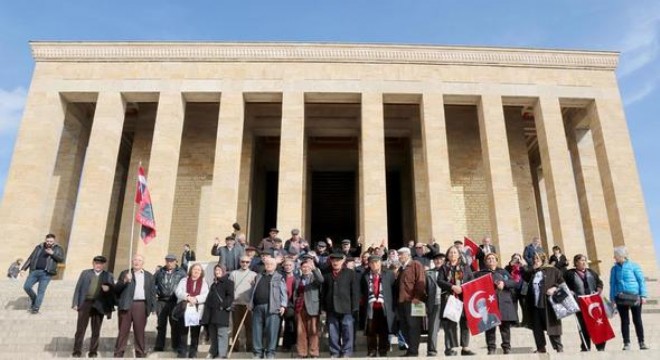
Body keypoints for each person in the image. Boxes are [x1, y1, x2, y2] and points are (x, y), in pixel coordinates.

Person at [113, 254, 157, 358]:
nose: (137, 262)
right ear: (132, 262)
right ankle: (118, 353)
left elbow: (152, 293)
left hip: (141, 305)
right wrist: (124, 281)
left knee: (139, 331)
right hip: (126, 305)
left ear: (143, 263)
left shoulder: (149, 275)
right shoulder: (125, 273)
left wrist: (154, 307)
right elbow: (116, 289)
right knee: (123, 331)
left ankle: (140, 354)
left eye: (139, 260)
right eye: (135, 260)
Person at [71, 255, 115, 358]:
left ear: (104, 265)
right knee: (80, 329)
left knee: (96, 329)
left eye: (100, 263)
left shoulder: (108, 275)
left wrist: (108, 290)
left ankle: (93, 351)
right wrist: (75, 303)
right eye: (96, 263)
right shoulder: (85, 273)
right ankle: (77, 351)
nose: (98, 265)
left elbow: (113, 292)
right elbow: (78, 287)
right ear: (93, 263)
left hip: (99, 303)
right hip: (85, 302)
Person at [474, 253, 518, 354]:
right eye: (488, 259)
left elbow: (513, 282)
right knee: (490, 328)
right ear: (485, 262)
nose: (491, 260)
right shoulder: (480, 273)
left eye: (493, 258)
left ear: (497, 261)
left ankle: (506, 347)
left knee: (505, 328)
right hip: (489, 305)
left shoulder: (503, 272)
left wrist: (504, 283)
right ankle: (491, 348)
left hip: (504, 303)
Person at [523, 252, 564, 353]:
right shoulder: (534, 272)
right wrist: (526, 266)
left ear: (543, 259)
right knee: (537, 327)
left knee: (552, 326)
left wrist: (554, 288)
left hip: (548, 303)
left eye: (537, 259)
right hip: (535, 304)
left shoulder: (552, 270)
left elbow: (561, 282)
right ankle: (541, 348)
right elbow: (525, 277)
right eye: (534, 259)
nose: (535, 261)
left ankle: (558, 347)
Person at [610, 246, 649, 351]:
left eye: (616, 255)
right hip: (621, 297)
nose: (614, 257)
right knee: (624, 321)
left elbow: (641, 281)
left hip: (635, 296)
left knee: (637, 320)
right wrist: (612, 298)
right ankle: (626, 343)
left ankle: (642, 342)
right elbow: (612, 284)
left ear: (622, 256)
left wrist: (643, 295)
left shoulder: (634, 266)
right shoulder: (614, 269)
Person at [564, 254, 606, 351]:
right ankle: (585, 346)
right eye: (581, 260)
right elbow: (563, 283)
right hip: (580, 303)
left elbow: (599, 282)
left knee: (596, 324)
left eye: (585, 260)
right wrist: (569, 291)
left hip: (593, 303)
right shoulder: (569, 273)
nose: (584, 262)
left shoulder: (591, 272)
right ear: (576, 262)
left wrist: (599, 289)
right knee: (583, 326)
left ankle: (600, 346)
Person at [438, 245, 474, 356]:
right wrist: (452, 287)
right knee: (450, 324)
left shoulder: (465, 267)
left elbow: (471, 281)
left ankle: (465, 348)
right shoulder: (444, 268)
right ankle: (450, 348)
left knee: (464, 323)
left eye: (455, 252)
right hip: (449, 298)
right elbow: (439, 281)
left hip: (463, 298)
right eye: (451, 253)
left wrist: (462, 288)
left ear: (459, 255)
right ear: (447, 255)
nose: (453, 254)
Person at [321, 252, 359, 358]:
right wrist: (323, 307)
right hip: (331, 307)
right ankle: (335, 352)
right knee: (333, 332)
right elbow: (323, 291)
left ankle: (347, 351)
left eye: (338, 260)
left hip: (347, 307)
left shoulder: (350, 273)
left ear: (343, 261)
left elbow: (355, 292)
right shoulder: (326, 273)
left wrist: (355, 306)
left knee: (347, 331)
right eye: (333, 261)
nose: (335, 262)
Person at [250, 256, 287, 359]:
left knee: (272, 331)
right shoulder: (258, 276)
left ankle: (270, 352)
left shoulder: (279, 277)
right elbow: (253, 290)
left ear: (275, 266)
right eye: (267, 264)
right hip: (257, 306)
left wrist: (283, 305)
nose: (268, 265)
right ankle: (258, 352)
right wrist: (250, 302)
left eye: (271, 264)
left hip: (273, 307)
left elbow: (284, 292)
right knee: (257, 330)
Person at [19, 233, 65, 314]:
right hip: (35, 271)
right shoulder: (39, 247)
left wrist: (53, 254)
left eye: (51, 241)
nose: (49, 243)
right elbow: (30, 258)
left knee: (41, 291)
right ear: (45, 240)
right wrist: (23, 269)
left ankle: (35, 308)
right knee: (27, 286)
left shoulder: (58, 248)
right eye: (47, 241)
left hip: (47, 273)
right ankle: (34, 299)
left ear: (54, 241)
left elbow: (61, 259)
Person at [360, 255, 396, 357]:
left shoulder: (389, 274)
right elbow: (362, 291)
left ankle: (383, 350)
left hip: (384, 306)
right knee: (371, 329)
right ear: (369, 264)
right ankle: (372, 350)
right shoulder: (365, 275)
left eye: (376, 262)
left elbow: (393, 290)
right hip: (371, 307)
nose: (374, 264)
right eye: (372, 263)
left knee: (383, 329)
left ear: (380, 263)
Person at [395, 247, 426, 357]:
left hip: (413, 302)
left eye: (401, 254)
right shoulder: (401, 269)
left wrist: (417, 297)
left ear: (408, 255)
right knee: (404, 327)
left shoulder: (415, 264)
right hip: (402, 302)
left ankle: (413, 351)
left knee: (413, 326)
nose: (399, 257)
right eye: (398, 255)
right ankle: (410, 349)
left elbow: (420, 282)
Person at [154, 254, 187, 352]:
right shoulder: (159, 272)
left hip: (174, 302)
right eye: (167, 260)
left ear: (176, 261)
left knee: (175, 325)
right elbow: (152, 284)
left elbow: (185, 285)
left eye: (171, 261)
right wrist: (156, 292)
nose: (169, 263)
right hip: (161, 301)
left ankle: (175, 345)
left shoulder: (181, 272)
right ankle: (159, 345)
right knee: (161, 324)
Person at [175, 262, 209, 358]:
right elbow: (178, 291)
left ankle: (193, 353)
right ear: (191, 270)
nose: (196, 271)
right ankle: (182, 352)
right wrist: (188, 297)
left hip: (197, 310)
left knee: (195, 333)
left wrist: (196, 299)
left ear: (201, 272)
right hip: (184, 309)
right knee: (183, 332)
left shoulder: (204, 282)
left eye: (199, 270)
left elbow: (206, 295)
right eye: (195, 269)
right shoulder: (184, 280)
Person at [293, 256, 324, 358]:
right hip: (300, 307)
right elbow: (295, 293)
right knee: (301, 331)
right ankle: (302, 352)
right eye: (303, 267)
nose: (305, 269)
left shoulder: (314, 278)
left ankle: (313, 352)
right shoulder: (298, 279)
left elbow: (321, 280)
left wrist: (314, 269)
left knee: (313, 331)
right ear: (301, 268)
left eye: (307, 267)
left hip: (312, 307)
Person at [202, 264, 235, 359]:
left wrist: (222, 305)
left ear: (224, 271)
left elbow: (230, 297)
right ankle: (213, 352)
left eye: (219, 270)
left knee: (222, 334)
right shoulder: (213, 284)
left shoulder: (229, 283)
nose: (217, 272)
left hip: (221, 312)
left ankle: (222, 354)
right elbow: (209, 299)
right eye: (216, 270)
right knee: (213, 335)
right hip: (211, 313)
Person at [229, 255, 258, 353]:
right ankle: (235, 347)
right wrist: (231, 302)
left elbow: (255, 291)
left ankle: (250, 347)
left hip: (248, 305)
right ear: (239, 262)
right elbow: (229, 289)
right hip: (236, 304)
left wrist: (251, 303)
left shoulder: (254, 274)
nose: (245, 263)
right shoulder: (234, 274)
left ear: (250, 263)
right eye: (243, 261)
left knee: (249, 328)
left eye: (247, 262)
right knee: (236, 327)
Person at [425, 252, 445, 356]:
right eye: (436, 259)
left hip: (448, 303)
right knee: (433, 327)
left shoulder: (450, 272)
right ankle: (431, 350)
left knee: (449, 328)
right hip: (434, 303)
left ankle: (450, 349)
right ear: (433, 261)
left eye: (440, 259)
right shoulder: (428, 273)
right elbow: (424, 290)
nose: (438, 261)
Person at [504, 253, 528, 327]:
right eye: (515, 258)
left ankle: (525, 322)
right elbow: (504, 273)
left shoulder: (524, 266)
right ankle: (515, 322)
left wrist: (523, 265)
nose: (517, 260)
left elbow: (528, 273)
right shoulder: (508, 267)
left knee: (524, 306)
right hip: (513, 289)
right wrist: (510, 264)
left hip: (522, 288)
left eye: (518, 258)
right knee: (514, 306)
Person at [280, 258, 297, 352]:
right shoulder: (280, 276)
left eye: (290, 265)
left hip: (291, 303)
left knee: (290, 324)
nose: (288, 267)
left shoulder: (297, 277)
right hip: (280, 303)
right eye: (286, 265)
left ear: (293, 266)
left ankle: (288, 345)